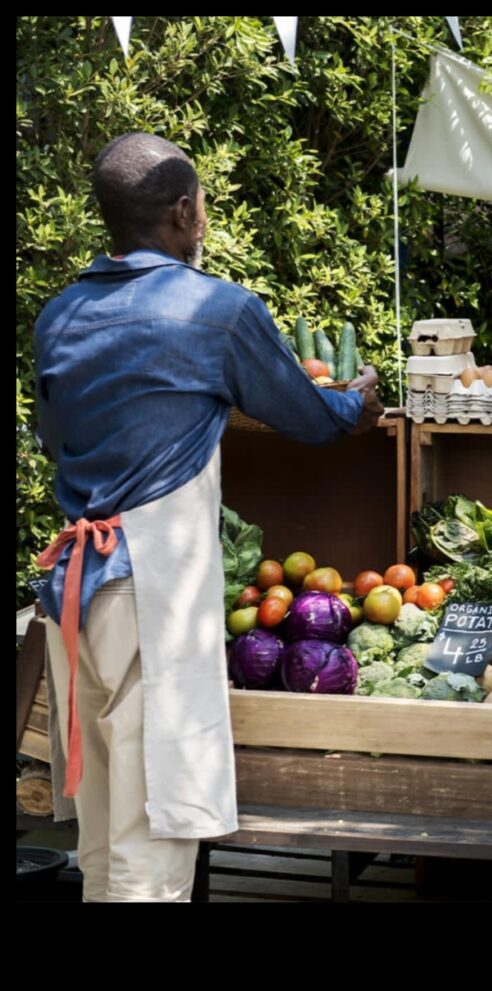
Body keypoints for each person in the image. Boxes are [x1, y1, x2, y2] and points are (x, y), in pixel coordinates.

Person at [32, 132, 384, 902]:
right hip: (148, 598)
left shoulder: (58, 317)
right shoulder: (215, 311)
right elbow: (308, 414)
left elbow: (53, 439)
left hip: (73, 595)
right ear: (184, 212)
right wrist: (356, 405)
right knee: (153, 835)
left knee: (101, 827)